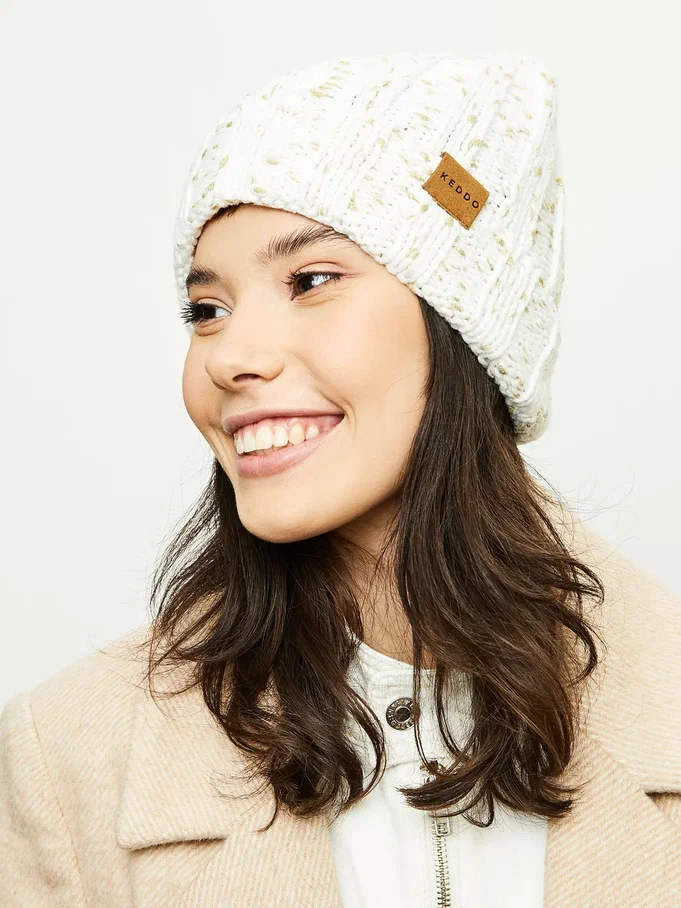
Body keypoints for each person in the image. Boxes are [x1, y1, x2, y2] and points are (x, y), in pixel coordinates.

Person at [1, 51, 680, 908]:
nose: (230, 357)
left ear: (465, 326)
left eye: (310, 280)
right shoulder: (66, 754)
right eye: (206, 310)